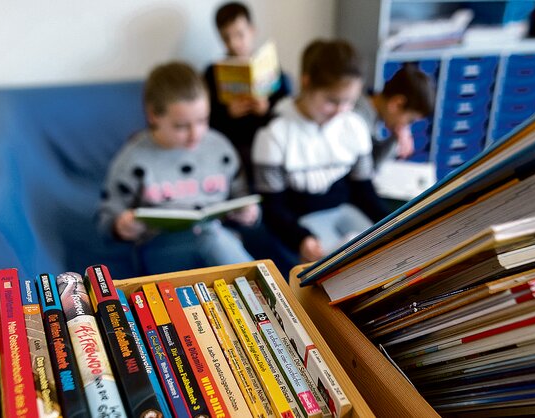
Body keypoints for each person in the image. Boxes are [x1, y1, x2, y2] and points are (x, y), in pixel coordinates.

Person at [97, 62, 257, 275]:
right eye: (181, 126)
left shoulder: (220, 148)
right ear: (153, 115)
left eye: (202, 120)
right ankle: (266, 289)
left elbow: (242, 197)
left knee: (213, 236)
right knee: (209, 237)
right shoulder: (133, 159)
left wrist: (249, 213)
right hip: (160, 252)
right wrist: (121, 225)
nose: (195, 134)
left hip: (220, 242)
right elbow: (106, 219)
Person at [252, 39, 389, 263]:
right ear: (307, 84)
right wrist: (301, 239)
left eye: (349, 102)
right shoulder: (274, 133)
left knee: (384, 252)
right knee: (335, 270)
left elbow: (364, 190)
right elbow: (273, 208)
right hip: (298, 223)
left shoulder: (353, 125)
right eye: (332, 101)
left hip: (344, 212)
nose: (340, 111)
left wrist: (394, 222)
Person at [204, 1, 292, 185]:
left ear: (252, 30)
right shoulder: (212, 74)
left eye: (239, 35)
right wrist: (228, 114)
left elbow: (286, 114)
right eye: (226, 38)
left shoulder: (271, 69)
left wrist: (266, 110)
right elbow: (205, 122)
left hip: (266, 140)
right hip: (233, 143)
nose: (234, 44)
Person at [353, 64, 436, 167]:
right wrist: (396, 141)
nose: (406, 126)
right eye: (410, 120)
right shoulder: (359, 120)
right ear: (397, 104)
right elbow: (367, 171)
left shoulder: (371, 113)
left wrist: (395, 139)